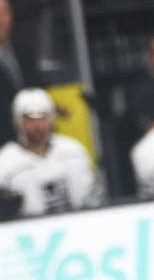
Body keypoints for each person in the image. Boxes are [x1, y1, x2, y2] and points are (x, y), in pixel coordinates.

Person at [0, 88, 102, 218]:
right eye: (29, 119)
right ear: (18, 121)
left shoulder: (73, 150)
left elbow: (95, 198)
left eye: (43, 118)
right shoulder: (4, 162)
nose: (37, 126)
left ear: (52, 118)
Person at [0, 0, 41, 148]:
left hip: (33, 144)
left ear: (11, 17)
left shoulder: (26, 54)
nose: (0, 20)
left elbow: (38, 93)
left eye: (4, 13)